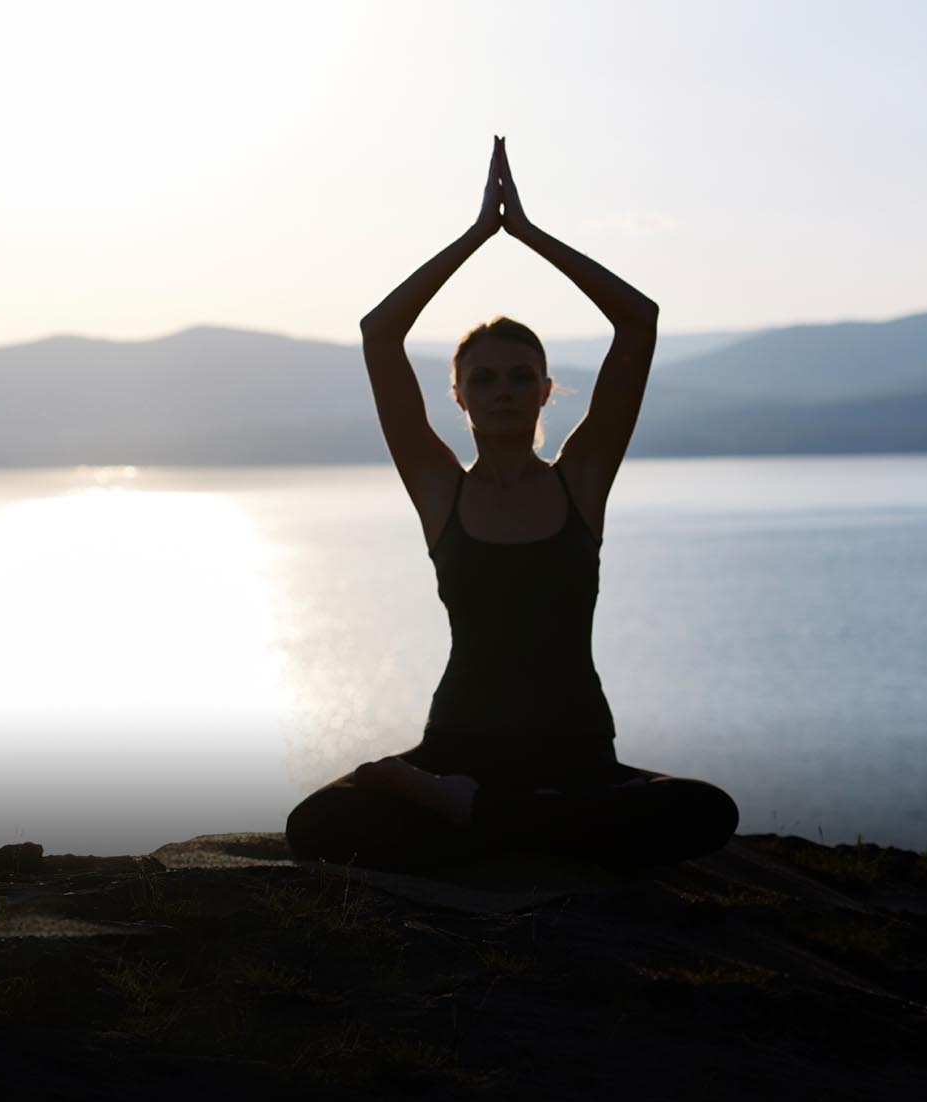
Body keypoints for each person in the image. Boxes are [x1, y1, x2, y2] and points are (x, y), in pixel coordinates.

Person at [285, 137, 738, 873]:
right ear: (458, 395)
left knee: (708, 809)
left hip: (577, 751)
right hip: (458, 745)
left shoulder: (579, 481)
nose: (502, 390)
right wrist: (474, 236)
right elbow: (380, 334)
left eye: (520, 377)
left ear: (544, 392)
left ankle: (470, 816)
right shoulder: (442, 491)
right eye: (484, 378)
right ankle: (523, 821)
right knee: (317, 824)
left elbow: (638, 321)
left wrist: (526, 234)